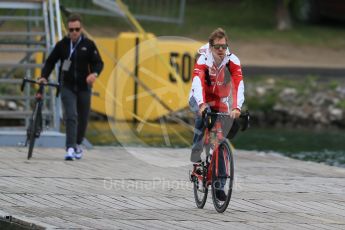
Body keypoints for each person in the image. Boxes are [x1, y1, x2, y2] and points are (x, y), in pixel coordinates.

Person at [188, 28, 245, 200]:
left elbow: (238, 84)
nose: (221, 50)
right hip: (199, 98)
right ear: (211, 46)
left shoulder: (232, 60)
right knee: (201, 118)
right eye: (217, 46)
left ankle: (219, 185)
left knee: (219, 140)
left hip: (220, 101)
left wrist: (237, 107)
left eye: (224, 46)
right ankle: (197, 159)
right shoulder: (203, 59)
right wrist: (202, 104)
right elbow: (197, 83)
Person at [38, 14, 103, 160]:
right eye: (71, 29)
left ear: (81, 29)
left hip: (84, 87)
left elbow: (99, 63)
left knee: (83, 118)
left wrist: (94, 74)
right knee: (71, 115)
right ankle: (70, 148)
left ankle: (78, 143)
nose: (74, 32)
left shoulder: (89, 44)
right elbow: (50, 62)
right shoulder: (62, 45)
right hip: (67, 86)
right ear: (68, 29)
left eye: (77, 29)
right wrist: (44, 76)